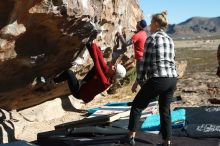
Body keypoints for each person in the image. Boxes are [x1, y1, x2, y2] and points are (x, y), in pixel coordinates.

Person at [124, 11, 177, 146]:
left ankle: (130, 137)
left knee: (137, 106)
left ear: (156, 23)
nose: (150, 26)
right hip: (172, 79)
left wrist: (138, 81)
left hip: (159, 78)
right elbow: (173, 60)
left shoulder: (152, 38)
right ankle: (167, 141)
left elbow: (145, 63)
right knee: (165, 110)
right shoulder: (170, 39)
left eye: (151, 22)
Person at [53, 29, 126, 103]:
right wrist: (92, 44)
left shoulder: (104, 82)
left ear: (113, 73)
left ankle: (53, 81)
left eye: (114, 67)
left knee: (69, 73)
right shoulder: (108, 73)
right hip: (84, 84)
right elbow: (100, 59)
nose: (113, 65)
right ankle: (88, 44)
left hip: (79, 92)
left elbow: (96, 62)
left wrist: (93, 46)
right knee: (98, 67)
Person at [117, 20, 147, 85]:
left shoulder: (137, 35)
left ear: (139, 25)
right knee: (143, 77)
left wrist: (120, 35)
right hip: (144, 58)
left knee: (140, 79)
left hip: (140, 59)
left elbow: (125, 44)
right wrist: (133, 31)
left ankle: (146, 93)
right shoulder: (144, 33)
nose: (136, 23)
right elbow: (139, 34)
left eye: (138, 23)